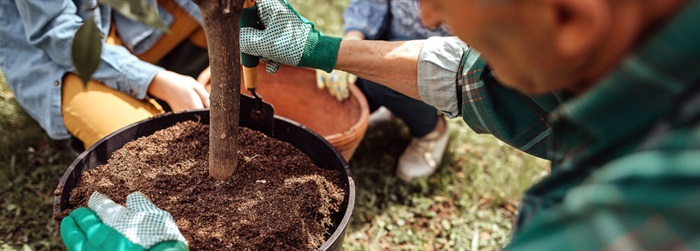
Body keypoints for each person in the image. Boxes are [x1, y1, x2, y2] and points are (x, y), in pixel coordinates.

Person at [61, 0, 700, 249]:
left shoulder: (638, 218)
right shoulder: (652, 63)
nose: (428, 11)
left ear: (571, 16)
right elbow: (477, 73)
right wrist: (322, 49)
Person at [0, 0, 211, 149]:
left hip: (127, 20)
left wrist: (228, 41)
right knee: (146, 147)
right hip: (62, 57)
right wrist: (157, 81)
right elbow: (58, 34)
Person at [315, 0, 451, 182]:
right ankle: (392, 105)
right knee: (349, 91)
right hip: (387, 42)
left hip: (436, 66)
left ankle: (431, 130)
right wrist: (354, 39)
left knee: (381, 81)